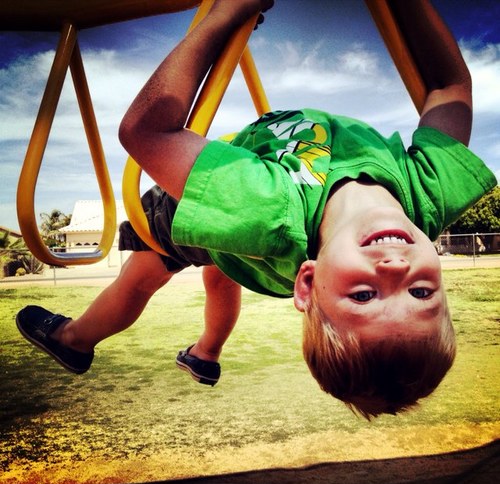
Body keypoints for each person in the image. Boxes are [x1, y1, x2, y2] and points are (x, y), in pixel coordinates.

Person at [17, 0, 497, 419]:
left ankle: (75, 340)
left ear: (307, 281)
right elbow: (448, 83)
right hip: (247, 253)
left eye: (365, 297)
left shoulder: (265, 206)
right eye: (420, 291)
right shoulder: (431, 193)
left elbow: (146, 133)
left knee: (143, 273)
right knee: (221, 273)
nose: (395, 269)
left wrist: (228, 12)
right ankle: (206, 354)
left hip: (233, 215)